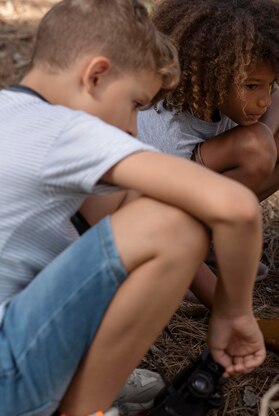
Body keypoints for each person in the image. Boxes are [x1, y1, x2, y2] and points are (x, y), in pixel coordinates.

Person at [0, 1, 265, 415]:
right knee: (175, 223)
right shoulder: (66, 130)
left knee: (137, 205)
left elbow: (123, 213)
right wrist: (234, 314)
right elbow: (236, 207)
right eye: (134, 104)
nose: (132, 129)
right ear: (97, 75)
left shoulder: (12, 115)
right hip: (7, 377)